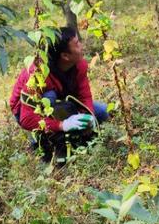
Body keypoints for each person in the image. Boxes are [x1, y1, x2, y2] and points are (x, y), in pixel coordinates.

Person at [9, 27, 109, 162]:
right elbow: (26, 118)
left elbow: (84, 96)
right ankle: (42, 141)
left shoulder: (80, 65)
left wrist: (88, 114)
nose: (82, 46)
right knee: (49, 96)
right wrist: (62, 125)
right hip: (26, 110)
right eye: (77, 43)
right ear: (65, 56)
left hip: (62, 101)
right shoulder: (37, 74)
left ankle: (67, 133)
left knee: (101, 112)